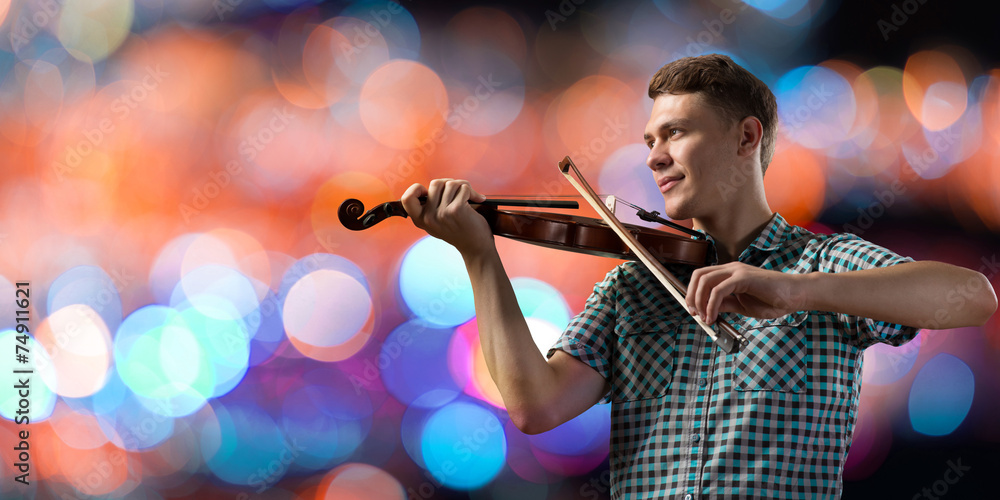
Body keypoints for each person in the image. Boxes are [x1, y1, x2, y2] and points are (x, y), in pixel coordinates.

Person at [400, 54, 997, 499]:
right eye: (650, 140)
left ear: (746, 137)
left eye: (676, 133)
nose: (655, 156)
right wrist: (480, 256)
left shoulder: (820, 265)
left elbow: (972, 297)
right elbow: (535, 407)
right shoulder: (632, 287)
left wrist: (794, 290)